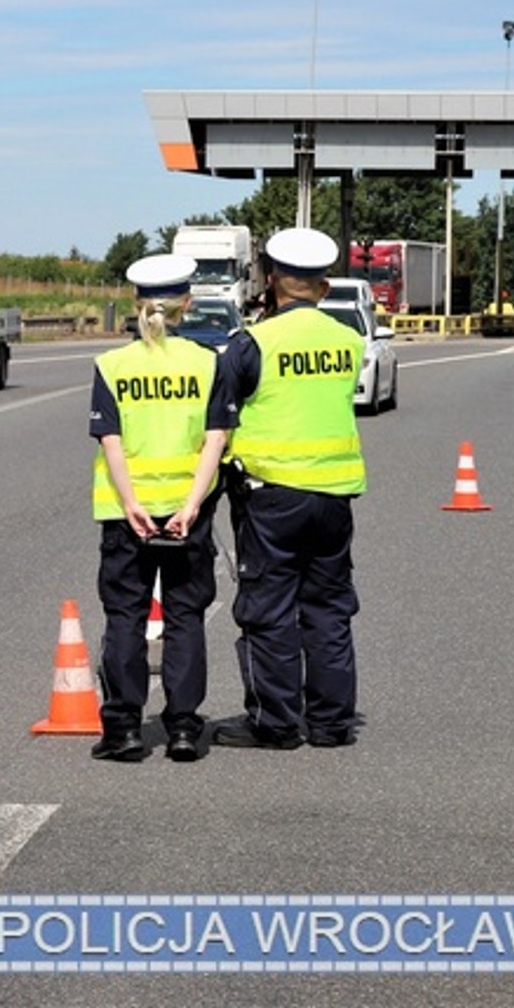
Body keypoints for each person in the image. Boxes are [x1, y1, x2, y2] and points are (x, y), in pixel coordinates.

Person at [213, 227, 366, 751]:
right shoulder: (348, 341)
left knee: (269, 609)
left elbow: (221, 416)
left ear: (272, 280)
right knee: (329, 609)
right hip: (334, 496)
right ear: (324, 286)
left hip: (272, 496)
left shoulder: (253, 344)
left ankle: (276, 722)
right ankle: (331, 723)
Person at [87, 253, 235, 763]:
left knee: (125, 616)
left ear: (136, 304)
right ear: (186, 305)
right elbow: (217, 438)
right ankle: (184, 729)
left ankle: (124, 730)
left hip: (125, 514)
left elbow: (110, 440)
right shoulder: (207, 362)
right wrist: (192, 505)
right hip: (187, 513)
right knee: (184, 616)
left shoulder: (113, 366)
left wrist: (131, 503)